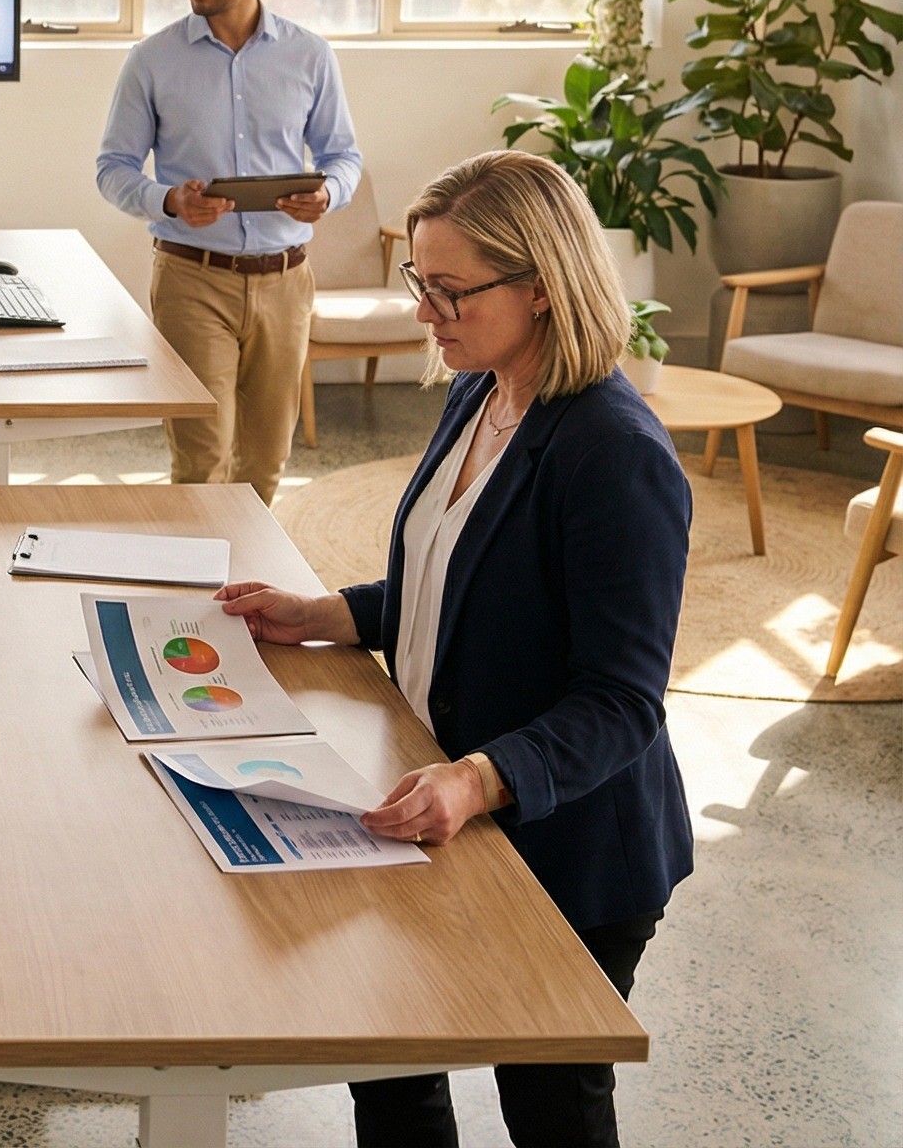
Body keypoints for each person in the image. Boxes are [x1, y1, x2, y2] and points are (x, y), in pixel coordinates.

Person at [215, 150, 693, 1148]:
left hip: (567, 839)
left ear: (542, 289)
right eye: (418, 282)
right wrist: (331, 612)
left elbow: (621, 699)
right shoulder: (478, 389)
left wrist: (478, 778)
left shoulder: (615, 454)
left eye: (449, 289)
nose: (425, 310)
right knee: (388, 1058)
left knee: (550, 1100)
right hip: (443, 796)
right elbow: (458, 579)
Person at [95, 0, 362, 502]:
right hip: (193, 280)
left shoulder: (309, 55)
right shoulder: (152, 60)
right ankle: (197, 589)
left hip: (286, 282)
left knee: (266, 463)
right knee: (201, 461)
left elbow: (344, 156)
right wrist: (168, 201)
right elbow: (112, 169)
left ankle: (248, 585)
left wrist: (329, 194)